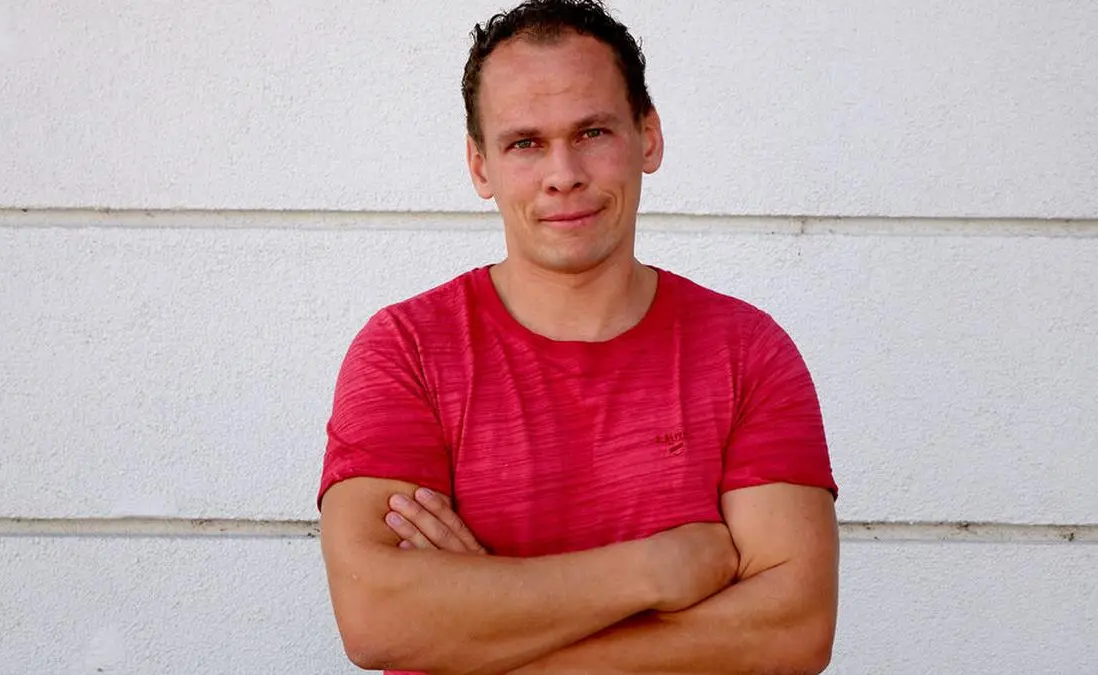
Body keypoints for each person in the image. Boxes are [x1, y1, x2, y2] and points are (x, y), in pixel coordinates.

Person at [317, 1, 840, 673]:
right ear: (480, 166)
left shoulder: (747, 352)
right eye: (524, 143)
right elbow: (376, 617)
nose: (563, 173)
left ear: (648, 137)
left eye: (592, 132)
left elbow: (792, 630)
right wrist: (652, 570)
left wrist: (485, 626)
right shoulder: (406, 351)